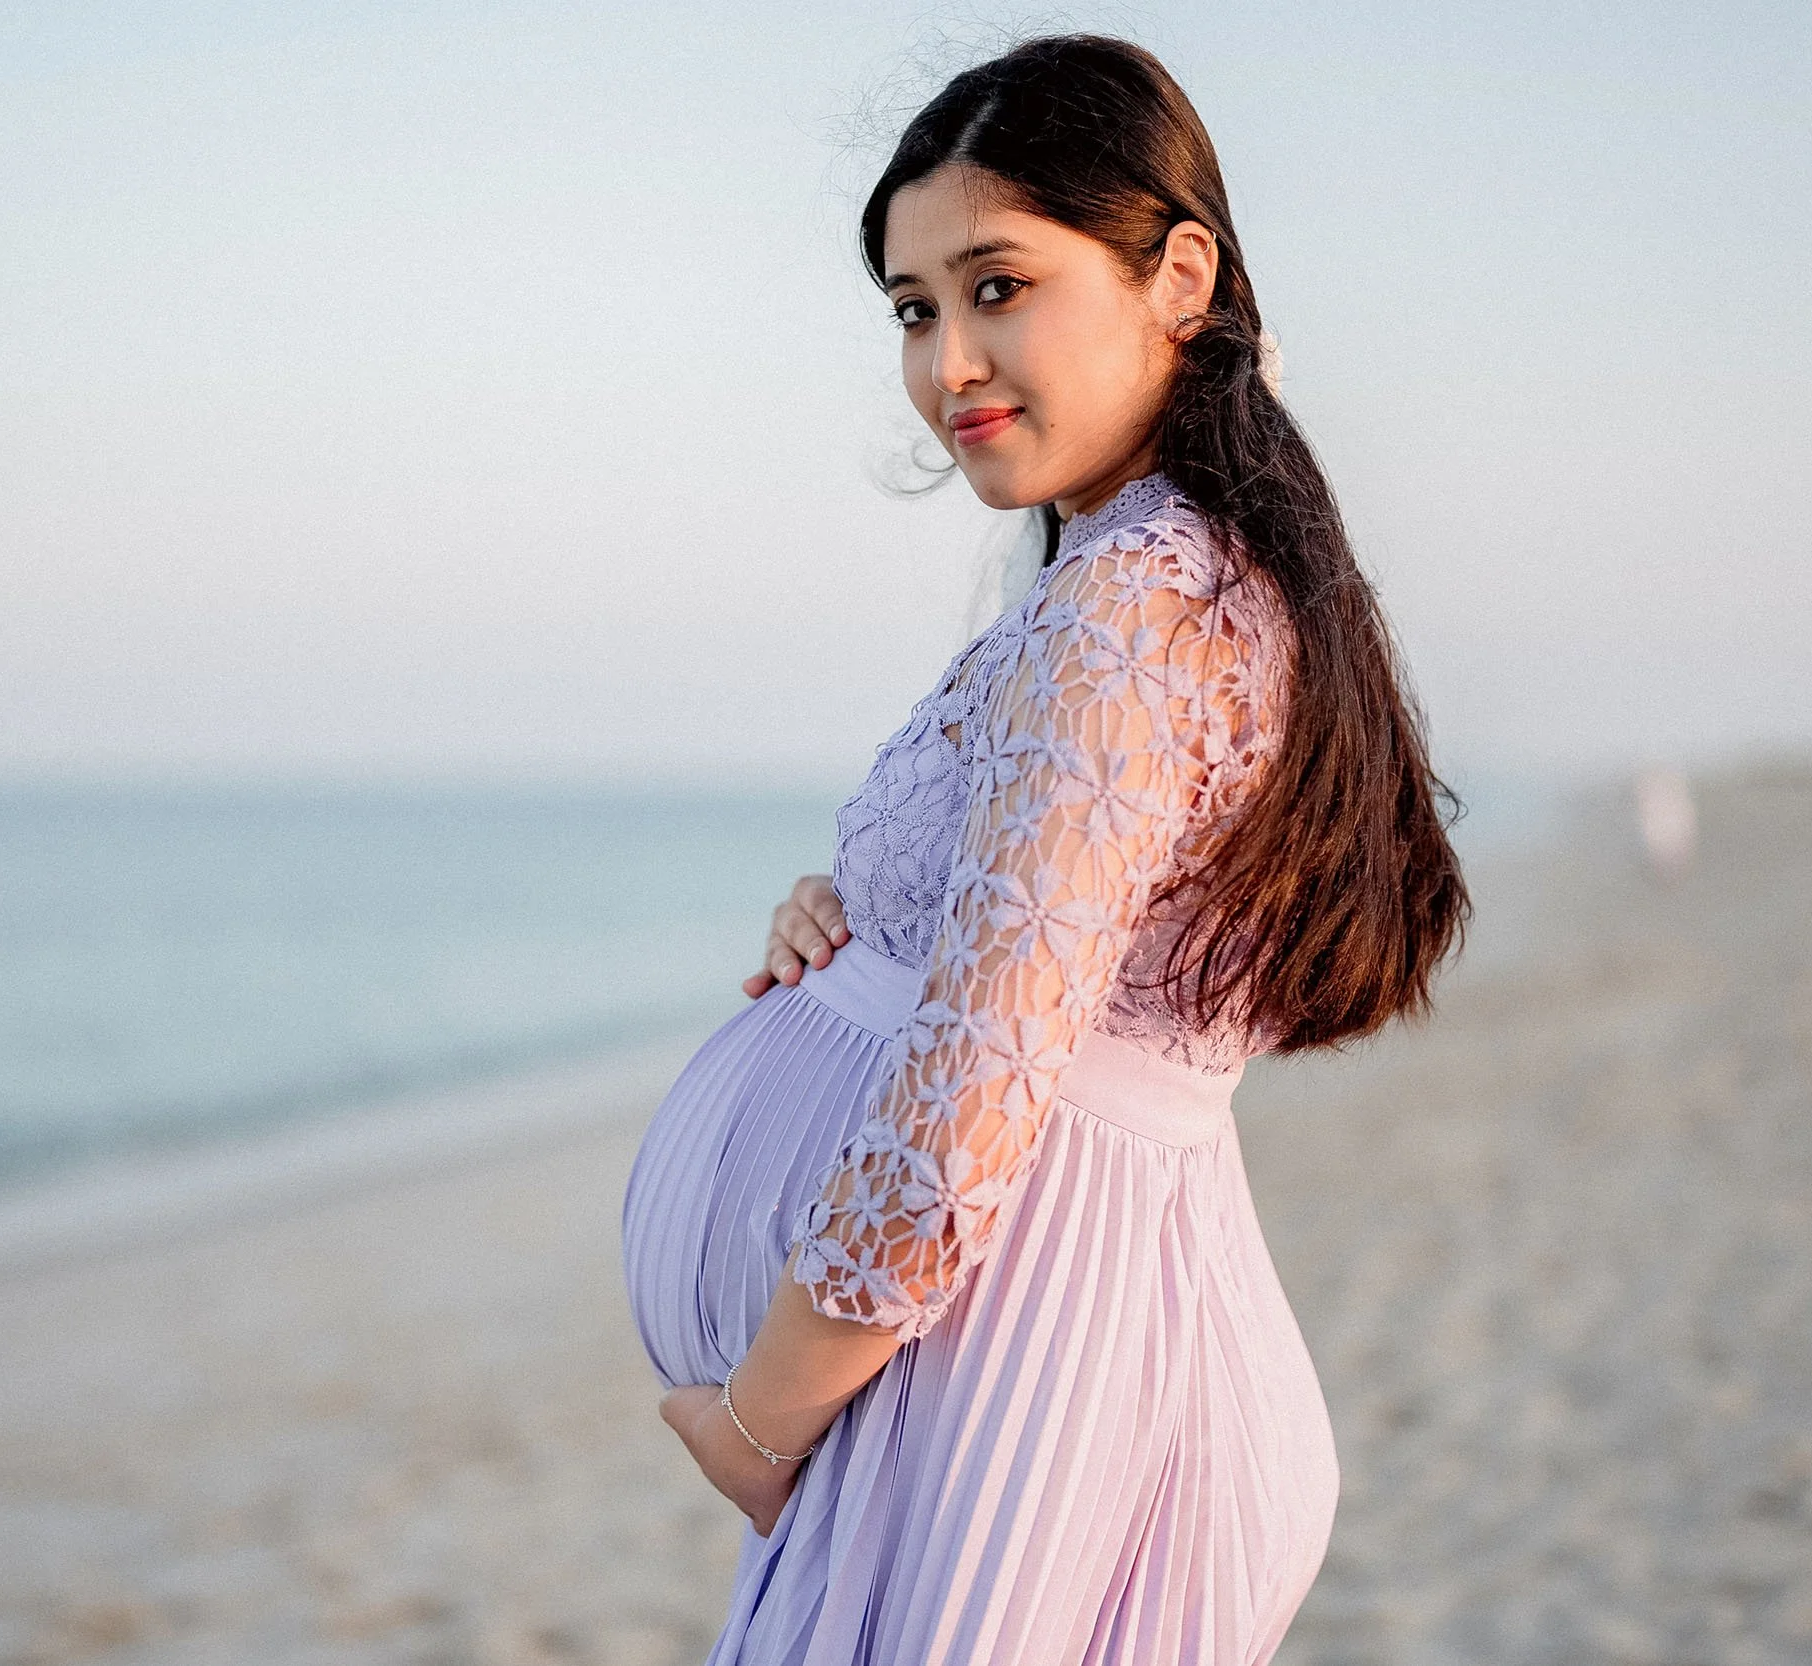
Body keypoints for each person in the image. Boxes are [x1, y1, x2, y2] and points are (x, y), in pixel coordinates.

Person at [620, 34, 1468, 1665]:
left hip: (1014, 1379)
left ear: (1179, 278)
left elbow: (968, 1106)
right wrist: (862, 922)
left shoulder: (1137, 608)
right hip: (1025, 1353)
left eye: (999, 284)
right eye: (914, 308)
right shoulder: (1172, 574)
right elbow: (1068, 937)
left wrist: (756, 1414)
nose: (951, 362)